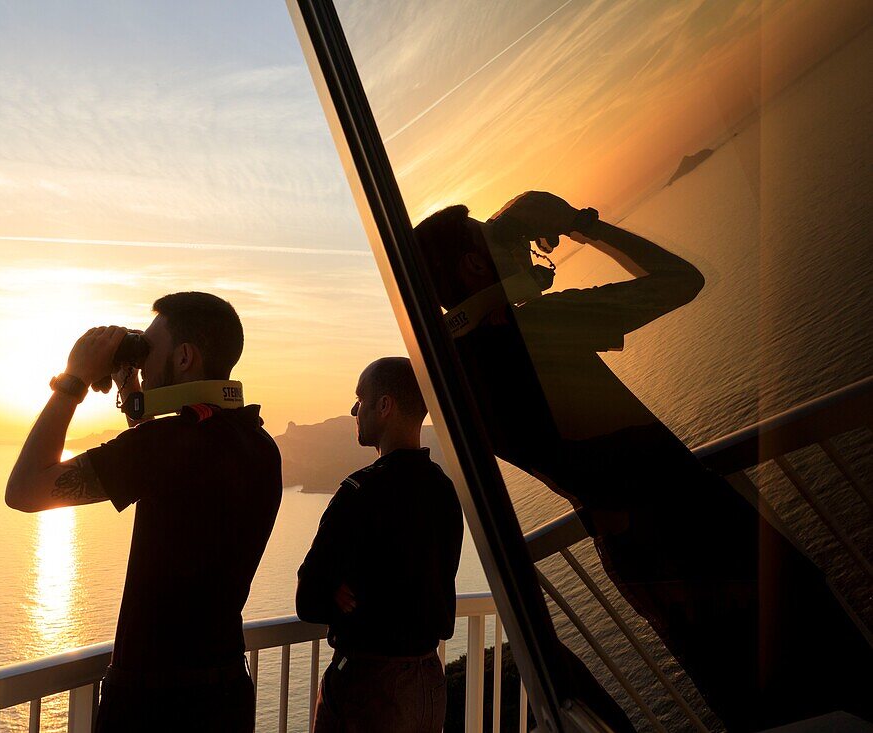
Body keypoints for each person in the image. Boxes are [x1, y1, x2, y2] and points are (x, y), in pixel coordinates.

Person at [413, 192, 873, 731]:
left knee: (756, 703)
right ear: (473, 265)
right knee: (837, 672)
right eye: (492, 241)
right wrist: (584, 227)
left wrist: (508, 272)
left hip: (644, 564)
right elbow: (680, 279)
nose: (512, 244)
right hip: (703, 534)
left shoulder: (461, 371)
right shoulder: (537, 329)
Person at [5, 292, 282, 733]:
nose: (145, 362)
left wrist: (73, 381)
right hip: (225, 691)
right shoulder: (259, 444)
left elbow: (23, 490)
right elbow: (179, 467)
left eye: (150, 350)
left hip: (153, 702)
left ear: (185, 357)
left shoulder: (168, 446)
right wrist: (134, 394)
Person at [296, 357, 462, 733]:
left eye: (360, 399)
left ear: (384, 406)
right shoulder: (443, 488)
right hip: (427, 681)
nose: (355, 409)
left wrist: (333, 592)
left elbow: (307, 599)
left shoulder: (360, 492)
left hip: (370, 686)